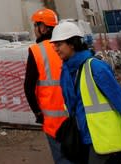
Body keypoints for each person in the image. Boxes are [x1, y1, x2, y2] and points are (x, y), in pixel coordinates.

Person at [51, 21, 121, 164]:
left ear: (72, 44)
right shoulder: (67, 70)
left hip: (107, 144)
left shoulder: (95, 68)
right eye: (54, 45)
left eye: (59, 44)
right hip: (84, 142)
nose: (55, 49)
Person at [23, 8, 71, 164]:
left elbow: (28, 88)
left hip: (53, 119)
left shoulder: (37, 50)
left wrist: (37, 113)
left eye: (36, 25)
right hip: (75, 114)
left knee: (62, 158)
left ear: (43, 27)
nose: (34, 30)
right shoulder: (68, 46)